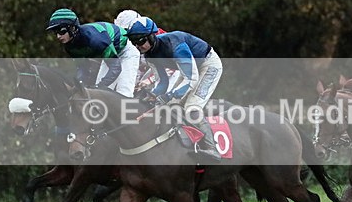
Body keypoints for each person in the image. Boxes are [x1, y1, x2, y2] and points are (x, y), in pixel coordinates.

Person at [125, 17, 223, 160]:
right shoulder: (149, 55)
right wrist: (153, 95)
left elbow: (191, 78)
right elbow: (162, 82)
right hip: (189, 71)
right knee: (170, 105)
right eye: (134, 43)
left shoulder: (175, 46)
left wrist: (170, 95)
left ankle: (211, 148)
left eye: (140, 41)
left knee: (192, 107)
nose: (137, 46)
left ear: (152, 36)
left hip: (209, 66)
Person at [46, 8, 140, 97]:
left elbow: (116, 68)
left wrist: (99, 86)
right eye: (55, 32)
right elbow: (83, 68)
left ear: (73, 28)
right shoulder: (70, 47)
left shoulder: (95, 40)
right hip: (109, 56)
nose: (58, 36)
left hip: (126, 51)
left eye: (61, 31)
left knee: (123, 92)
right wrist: (79, 86)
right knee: (100, 95)